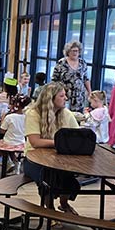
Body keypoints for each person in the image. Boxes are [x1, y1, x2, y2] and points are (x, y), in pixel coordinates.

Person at [23, 82, 81, 214]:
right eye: (62, 96)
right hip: (33, 159)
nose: (66, 98)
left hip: (58, 158)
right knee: (47, 178)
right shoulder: (33, 113)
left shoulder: (66, 114)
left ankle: (64, 204)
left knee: (69, 177)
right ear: (51, 98)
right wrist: (60, 142)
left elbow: (77, 135)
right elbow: (35, 142)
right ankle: (50, 209)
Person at [52, 40, 92, 114]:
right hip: (65, 95)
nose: (75, 53)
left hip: (79, 97)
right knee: (65, 115)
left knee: (78, 117)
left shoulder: (82, 63)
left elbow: (86, 79)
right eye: (73, 51)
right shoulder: (62, 62)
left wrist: (89, 92)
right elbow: (54, 79)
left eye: (77, 51)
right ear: (68, 51)